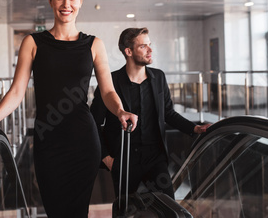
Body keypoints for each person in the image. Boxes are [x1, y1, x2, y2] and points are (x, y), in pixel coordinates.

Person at [0, 0, 137, 218]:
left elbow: (107, 91)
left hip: (83, 141)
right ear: (50, 0)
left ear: (81, 2)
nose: (66, 4)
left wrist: (120, 111)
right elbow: (18, 91)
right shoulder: (33, 43)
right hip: (48, 142)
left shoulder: (94, 44)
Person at [90, 27, 210, 199]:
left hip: (155, 158)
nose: (150, 50)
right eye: (143, 46)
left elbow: (168, 113)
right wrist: (107, 158)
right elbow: (94, 122)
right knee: (125, 215)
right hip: (124, 160)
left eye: (150, 45)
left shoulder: (159, 77)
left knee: (168, 208)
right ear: (128, 51)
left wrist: (195, 129)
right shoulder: (111, 82)